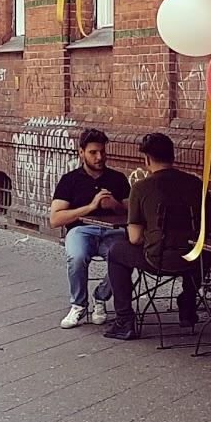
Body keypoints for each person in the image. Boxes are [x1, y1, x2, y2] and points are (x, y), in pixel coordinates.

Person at [101, 132, 203, 341]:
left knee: (117, 251)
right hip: (196, 259)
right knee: (203, 248)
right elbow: (210, 227)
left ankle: (125, 320)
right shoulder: (196, 184)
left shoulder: (141, 187)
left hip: (159, 259)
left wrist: (156, 236)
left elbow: (135, 238)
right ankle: (187, 304)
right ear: (173, 156)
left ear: (146, 159)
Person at [50, 128, 131, 327]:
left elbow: (132, 214)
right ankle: (78, 305)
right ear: (81, 152)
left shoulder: (118, 178)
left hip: (113, 232)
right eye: (93, 152)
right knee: (76, 257)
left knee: (126, 257)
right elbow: (55, 218)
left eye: (102, 152)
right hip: (80, 230)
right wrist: (91, 207)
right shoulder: (70, 180)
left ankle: (101, 296)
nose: (100, 157)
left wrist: (115, 205)